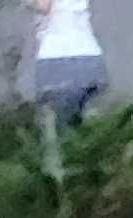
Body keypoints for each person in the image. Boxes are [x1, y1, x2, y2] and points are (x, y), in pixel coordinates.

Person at [31, 0, 108, 134]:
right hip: (89, 54)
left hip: (59, 56)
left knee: (59, 132)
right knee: (81, 127)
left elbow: (43, 6)